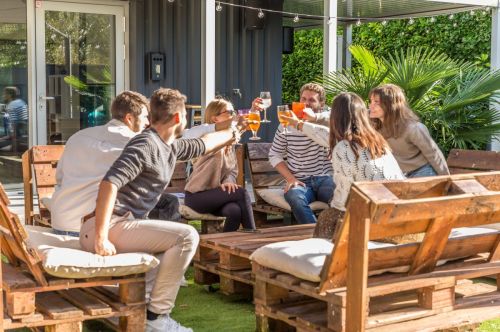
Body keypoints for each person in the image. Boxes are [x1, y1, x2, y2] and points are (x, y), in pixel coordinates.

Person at [79, 88, 241, 332]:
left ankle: (137, 314)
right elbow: (109, 183)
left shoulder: (169, 146)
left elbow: (204, 144)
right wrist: (102, 238)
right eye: (185, 115)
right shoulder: (145, 144)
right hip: (110, 226)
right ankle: (158, 318)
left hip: (121, 226)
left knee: (164, 251)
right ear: (177, 118)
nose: (186, 120)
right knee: (186, 236)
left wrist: (232, 132)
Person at [50, 91, 180, 236]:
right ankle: (161, 249)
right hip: (95, 227)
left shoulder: (78, 137)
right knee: (168, 203)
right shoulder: (136, 143)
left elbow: (60, 179)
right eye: (144, 117)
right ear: (129, 118)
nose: (148, 122)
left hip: (61, 223)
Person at [282, 92, 405, 239]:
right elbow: (323, 134)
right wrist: (298, 124)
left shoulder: (344, 147)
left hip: (366, 218)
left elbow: (344, 198)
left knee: (326, 219)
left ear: (335, 117)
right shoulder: (377, 141)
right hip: (393, 215)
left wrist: (333, 206)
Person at [264, 83, 334, 224]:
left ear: (321, 103)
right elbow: (274, 154)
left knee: (341, 196)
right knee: (295, 198)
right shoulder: (286, 124)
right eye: (303, 99)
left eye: (312, 100)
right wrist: (291, 179)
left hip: (325, 178)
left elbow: (337, 115)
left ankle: (339, 235)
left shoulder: (326, 121)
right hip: (301, 181)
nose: (306, 104)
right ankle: (314, 235)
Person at [184, 98, 255, 232]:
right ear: (215, 118)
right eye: (229, 112)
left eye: (233, 112)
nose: (233, 115)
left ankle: (225, 250)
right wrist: (236, 123)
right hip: (197, 196)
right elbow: (233, 126)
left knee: (234, 211)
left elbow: (231, 171)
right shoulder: (206, 138)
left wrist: (228, 181)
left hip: (217, 196)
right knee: (241, 192)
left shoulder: (229, 144)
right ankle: (253, 237)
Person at [369, 84, 449, 177]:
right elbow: (356, 114)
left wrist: (447, 180)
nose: (371, 106)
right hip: (397, 175)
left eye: (376, 102)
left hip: (422, 172)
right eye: (371, 101)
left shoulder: (413, 128)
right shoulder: (373, 124)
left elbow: (434, 154)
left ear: (390, 105)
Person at [3, 86, 28, 152]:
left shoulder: (11, 105)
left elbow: (12, 123)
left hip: (17, 135)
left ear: (10, 95)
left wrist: (9, 137)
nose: (3, 95)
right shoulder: (21, 102)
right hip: (22, 131)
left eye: (5, 94)